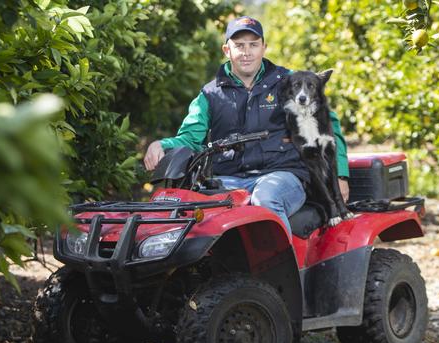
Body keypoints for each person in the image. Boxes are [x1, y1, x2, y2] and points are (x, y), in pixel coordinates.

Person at [144, 16, 349, 234]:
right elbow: (190, 139)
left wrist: (340, 175)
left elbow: (327, 126)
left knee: (266, 201)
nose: (246, 52)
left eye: (253, 45)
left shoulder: (290, 81)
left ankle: (277, 268)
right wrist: (161, 144)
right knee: (191, 212)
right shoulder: (209, 95)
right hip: (227, 180)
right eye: (239, 45)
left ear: (264, 47)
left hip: (283, 175)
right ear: (226, 50)